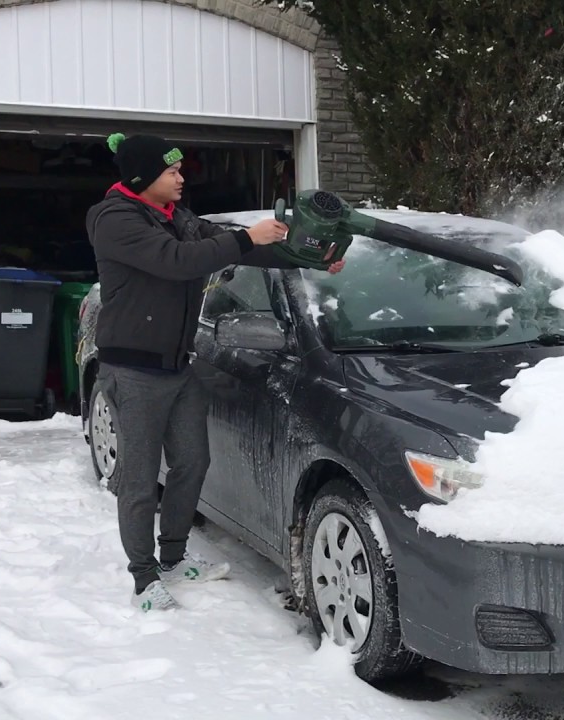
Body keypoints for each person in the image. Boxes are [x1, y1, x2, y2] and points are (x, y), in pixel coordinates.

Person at [85, 132, 344, 612]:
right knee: (140, 480)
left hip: (177, 365)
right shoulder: (114, 220)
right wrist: (247, 235)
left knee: (192, 462)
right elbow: (178, 262)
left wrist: (315, 257)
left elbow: (235, 250)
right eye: (172, 171)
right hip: (134, 370)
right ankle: (144, 579)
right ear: (143, 178)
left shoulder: (175, 217)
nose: (181, 178)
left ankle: (175, 557)